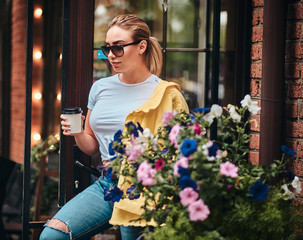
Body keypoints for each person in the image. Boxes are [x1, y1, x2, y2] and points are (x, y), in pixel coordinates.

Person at [40, 14, 188, 240]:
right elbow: (92, 147)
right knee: (52, 236)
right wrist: (78, 132)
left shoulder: (167, 94)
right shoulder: (100, 88)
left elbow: (184, 152)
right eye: (107, 48)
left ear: (141, 47)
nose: (111, 55)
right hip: (107, 184)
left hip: (143, 188)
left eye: (118, 48)